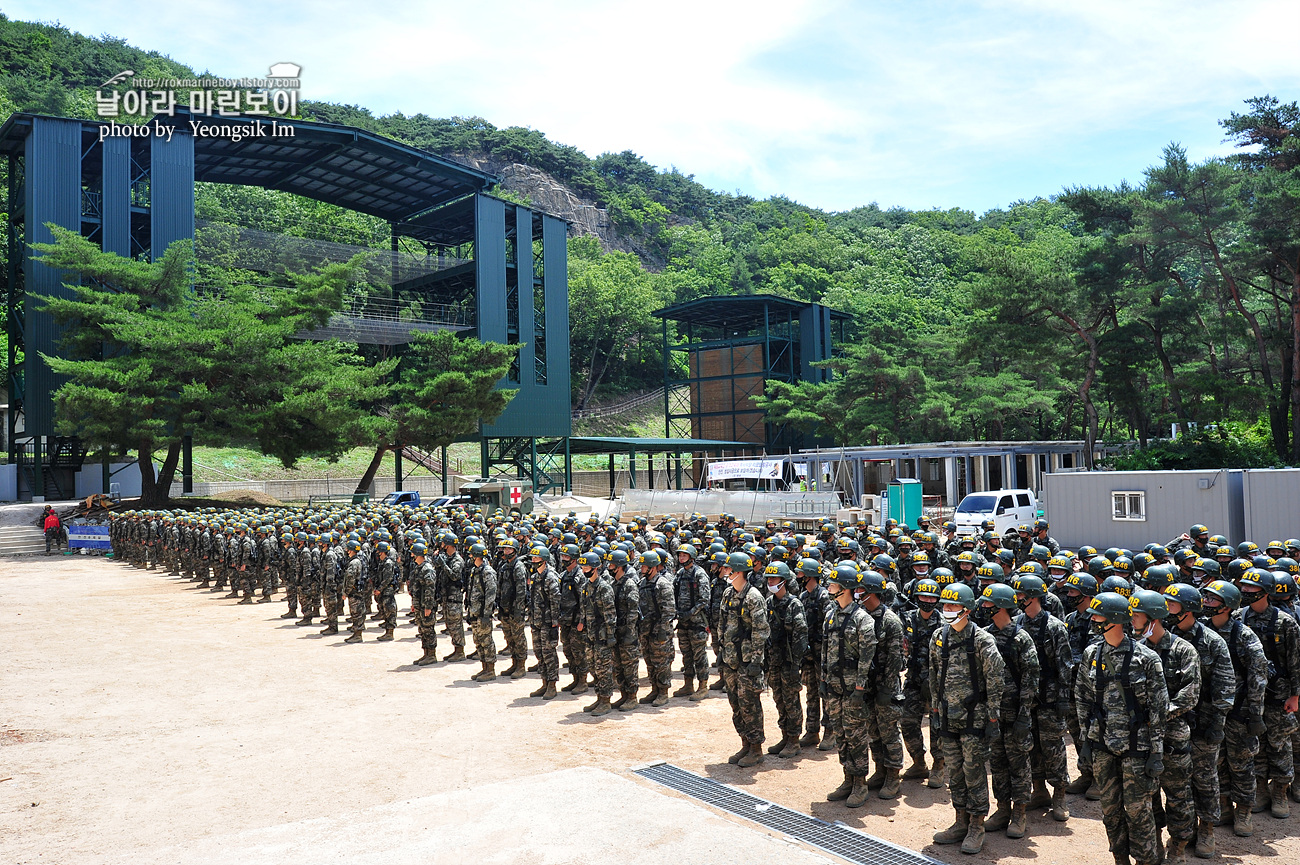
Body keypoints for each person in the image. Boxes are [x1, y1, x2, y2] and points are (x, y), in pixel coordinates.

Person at [1075, 592, 1169, 865]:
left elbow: (1159, 710)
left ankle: (1147, 860)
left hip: (1137, 749)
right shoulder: (1091, 654)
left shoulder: (1146, 658)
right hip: (1103, 745)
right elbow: (1082, 699)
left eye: (1098, 615)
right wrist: (1085, 742)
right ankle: (1120, 859)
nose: (1093, 619)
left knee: (1138, 813)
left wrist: (1157, 752)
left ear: (1116, 619)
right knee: (1111, 811)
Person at [930, 582, 1006, 855]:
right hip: (948, 717)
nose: (947, 610)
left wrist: (993, 718)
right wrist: (936, 711)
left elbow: (997, 681)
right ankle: (960, 820)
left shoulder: (982, 640)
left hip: (975, 718)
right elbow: (934, 675)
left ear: (967, 609)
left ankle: (976, 825)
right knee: (955, 772)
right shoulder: (940, 637)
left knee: (974, 774)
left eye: (952, 606)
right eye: (945, 605)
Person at [1201, 579, 1268, 837]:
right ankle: (1224, 805)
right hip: (1212, 711)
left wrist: (1255, 714)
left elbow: (1258, 677)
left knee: (1241, 764)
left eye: (1212, 599)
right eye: (1206, 598)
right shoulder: (1202, 630)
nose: (1206, 602)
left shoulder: (1243, 635)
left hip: (1239, 711)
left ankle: (1244, 812)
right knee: (1216, 762)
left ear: (1227, 606)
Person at [1235, 568, 1300, 818]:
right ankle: (1261, 789)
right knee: (1257, 745)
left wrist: (1295, 695)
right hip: (1251, 695)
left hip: (1279, 694)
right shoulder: (1240, 617)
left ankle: (1280, 792)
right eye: (1245, 587)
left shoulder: (1285, 622)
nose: (1246, 591)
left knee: (1280, 743)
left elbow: (1295, 662)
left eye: (1251, 588)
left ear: (1265, 592)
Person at [981, 583, 1040, 840]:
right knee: (997, 763)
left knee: (1019, 765)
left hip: (1015, 713)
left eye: (987, 603)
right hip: (993, 713)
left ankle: (1020, 813)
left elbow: (1030, 678)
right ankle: (1002, 809)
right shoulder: (984, 635)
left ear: (1001, 606)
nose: (983, 607)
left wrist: (1024, 716)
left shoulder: (1020, 637)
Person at [1012, 573, 1074, 822]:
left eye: (1021, 596)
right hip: (1027, 698)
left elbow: (1065, 666)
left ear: (1033, 597)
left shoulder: (1055, 627)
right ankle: (1039, 791)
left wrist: (1062, 700)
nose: (1017, 600)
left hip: (1049, 699)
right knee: (1031, 747)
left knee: (1053, 747)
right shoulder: (1017, 623)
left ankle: (1059, 795)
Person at [823, 564, 876, 807]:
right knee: (840, 735)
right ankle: (847, 778)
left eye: (833, 584)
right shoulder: (831, 614)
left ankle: (860, 784)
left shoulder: (862, 619)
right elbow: (825, 650)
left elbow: (867, 657)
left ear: (844, 589)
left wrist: (860, 689)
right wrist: (824, 680)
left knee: (856, 737)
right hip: (834, 687)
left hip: (853, 688)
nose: (829, 588)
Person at [719, 551, 770, 768]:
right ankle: (745, 743)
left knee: (750, 705)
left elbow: (761, 631)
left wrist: (756, 661)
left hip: (748, 661)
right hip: (731, 660)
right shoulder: (728, 593)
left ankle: (756, 748)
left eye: (729, 569)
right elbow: (722, 624)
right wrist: (721, 650)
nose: (725, 572)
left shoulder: (754, 597)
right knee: (736, 705)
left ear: (739, 572)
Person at [859, 571, 906, 800]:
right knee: (873, 732)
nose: (858, 594)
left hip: (886, 687)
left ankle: (893, 775)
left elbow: (896, 658)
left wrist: (887, 690)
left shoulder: (890, 621)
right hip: (867, 685)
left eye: (862, 591)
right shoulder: (861, 616)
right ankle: (880, 770)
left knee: (889, 733)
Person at [901, 577, 944, 787]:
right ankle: (919, 763)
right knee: (907, 722)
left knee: (938, 727)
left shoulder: (945, 624)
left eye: (931, 597)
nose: (927, 600)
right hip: (913, 681)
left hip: (937, 685)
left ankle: (939, 766)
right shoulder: (907, 619)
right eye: (923, 596)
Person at [764, 562, 808, 758]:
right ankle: (784, 735)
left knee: (791, 701)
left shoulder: (794, 604)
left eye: (774, 578)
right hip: (774, 660)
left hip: (789, 662)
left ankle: (794, 739)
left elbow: (800, 635)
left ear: (783, 581)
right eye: (769, 579)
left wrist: (795, 664)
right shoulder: (768, 603)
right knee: (779, 699)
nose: (770, 582)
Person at [637, 550, 677, 707]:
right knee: (649, 660)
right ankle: (654, 688)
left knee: (661, 662)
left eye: (644, 566)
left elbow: (669, 610)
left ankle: (663, 692)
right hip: (646, 630)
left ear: (652, 567)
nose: (641, 569)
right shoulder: (643, 583)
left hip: (660, 631)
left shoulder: (663, 584)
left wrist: (662, 630)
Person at [580, 550, 617, 716]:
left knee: (603, 670)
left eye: (586, 566)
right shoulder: (586, 586)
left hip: (602, 636)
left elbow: (610, 614)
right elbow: (583, 609)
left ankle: (605, 701)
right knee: (593, 667)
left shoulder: (604, 588)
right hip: (590, 635)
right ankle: (599, 697)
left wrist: (610, 635)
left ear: (595, 568)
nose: (583, 569)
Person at [673, 544, 712, 699]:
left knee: (699, 655)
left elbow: (704, 599)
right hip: (683, 621)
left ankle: (703, 686)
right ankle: (688, 684)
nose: (681, 558)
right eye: (680, 555)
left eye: (684, 555)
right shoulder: (681, 573)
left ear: (691, 557)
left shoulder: (700, 574)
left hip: (697, 622)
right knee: (686, 654)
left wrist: (690, 613)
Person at [526, 545, 562, 700]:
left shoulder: (551, 577)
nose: (533, 561)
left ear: (544, 559)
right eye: (532, 558)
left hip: (548, 623)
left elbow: (555, 601)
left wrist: (555, 623)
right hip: (536, 622)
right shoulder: (535, 577)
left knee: (549, 654)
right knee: (539, 653)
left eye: (536, 558)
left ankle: (552, 685)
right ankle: (544, 682)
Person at [609, 549, 642, 710]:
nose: (609, 567)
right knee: (618, 666)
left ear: (620, 566)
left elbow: (633, 611)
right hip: (617, 631)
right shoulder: (614, 584)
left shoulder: (629, 584)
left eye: (612, 564)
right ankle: (623, 694)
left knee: (629, 666)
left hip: (628, 633)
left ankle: (632, 697)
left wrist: (628, 631)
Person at [466, 543, 498, 681]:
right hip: (475, 611)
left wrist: (486, 614)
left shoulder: (487, 571)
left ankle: (490, 670)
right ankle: (484, 667)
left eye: (472, 554)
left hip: (483, 613)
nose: (470, 556)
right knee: (478, 641)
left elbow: (491, 594)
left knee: (486, 641)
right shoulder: (475, 570)